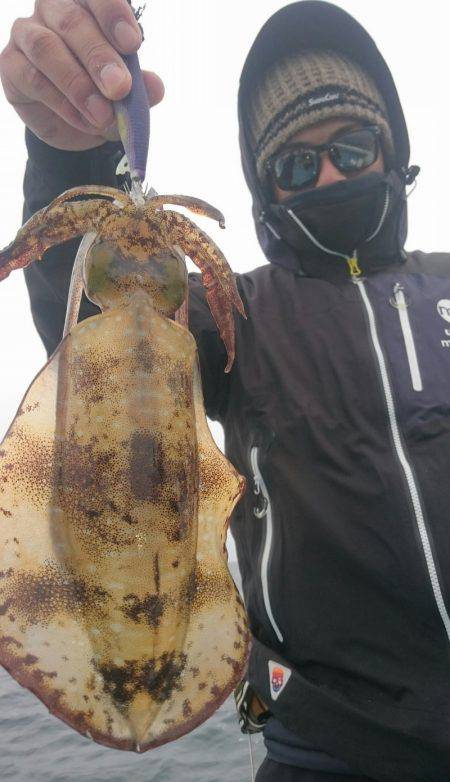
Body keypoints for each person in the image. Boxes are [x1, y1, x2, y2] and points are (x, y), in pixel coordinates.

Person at [1, 1, 450, 780]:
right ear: (265, 186)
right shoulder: (233, 313)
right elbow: (83, 328)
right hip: (328, 750)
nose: (332, 174)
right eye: (297, 164)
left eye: (352, 145)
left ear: (393, 150)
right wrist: (68, 155)